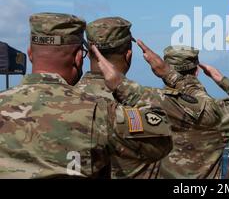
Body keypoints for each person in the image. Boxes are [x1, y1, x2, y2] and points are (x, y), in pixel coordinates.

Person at [0, 12, 173, 178]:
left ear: (30, 54)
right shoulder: (97, 111)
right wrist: (124, 87)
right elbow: (162, 136)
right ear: (77, 57)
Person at [76, 17, 223, 178]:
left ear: (86, 54)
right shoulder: (149, 101)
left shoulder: (63, 99)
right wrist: (169, 74)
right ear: (128, 55)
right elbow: (209, 113)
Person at [158, 46, 229, 179]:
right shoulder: (214, 111)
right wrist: (220, 78)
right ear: (197, 71)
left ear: (164, 72)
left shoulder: (148, 103)